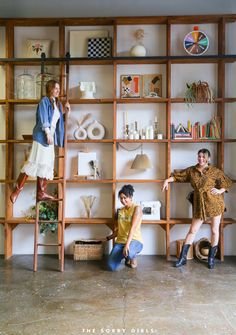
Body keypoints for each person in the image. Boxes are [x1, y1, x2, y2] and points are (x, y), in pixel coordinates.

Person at [162, 148, 232, 269]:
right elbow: (179, 176)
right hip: (199, 205)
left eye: (203, 157)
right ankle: (182, 258)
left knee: (215, 230)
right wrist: (167, 180)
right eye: (199, 156)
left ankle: (211, 258)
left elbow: (227, 181)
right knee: (193, 230)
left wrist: (220, 190)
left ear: (208, 159)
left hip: (215, 203)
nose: (201, 159)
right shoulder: (192, 170)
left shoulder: (214, 171)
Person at [10, 80, 70, 204]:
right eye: (55, 88)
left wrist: (66, 112)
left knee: (46, 163)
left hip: (51, 138)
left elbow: (57, 120)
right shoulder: (44, 101)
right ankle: (16, 191)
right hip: (43, 136)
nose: (58, 90)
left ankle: (41, 193)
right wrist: (47, 133)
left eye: (59, 88)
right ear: (49, 89)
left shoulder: (57, 104)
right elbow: (43, 118)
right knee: (34, 161)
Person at [107, 185, 143, 271]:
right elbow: (120, 230)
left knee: (130, 252)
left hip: (134, 240)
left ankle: (132, 258)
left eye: (125, 198)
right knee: (111, 266)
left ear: (130, 197)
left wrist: (127, 245)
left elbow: (133, 228)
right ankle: (125, 255)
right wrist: (108, 238)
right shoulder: (120, 211)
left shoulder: (137, 208)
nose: (123, 200)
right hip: (120, 241)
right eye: (121, 198)